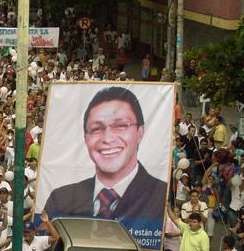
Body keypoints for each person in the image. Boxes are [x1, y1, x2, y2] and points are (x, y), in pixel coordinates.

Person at [45, 86, 167, 219]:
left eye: (120, 125)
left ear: (140, 132)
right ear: (85, 138)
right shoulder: (61, 199)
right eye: (96, 129)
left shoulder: (161, 196)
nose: (108, 139)